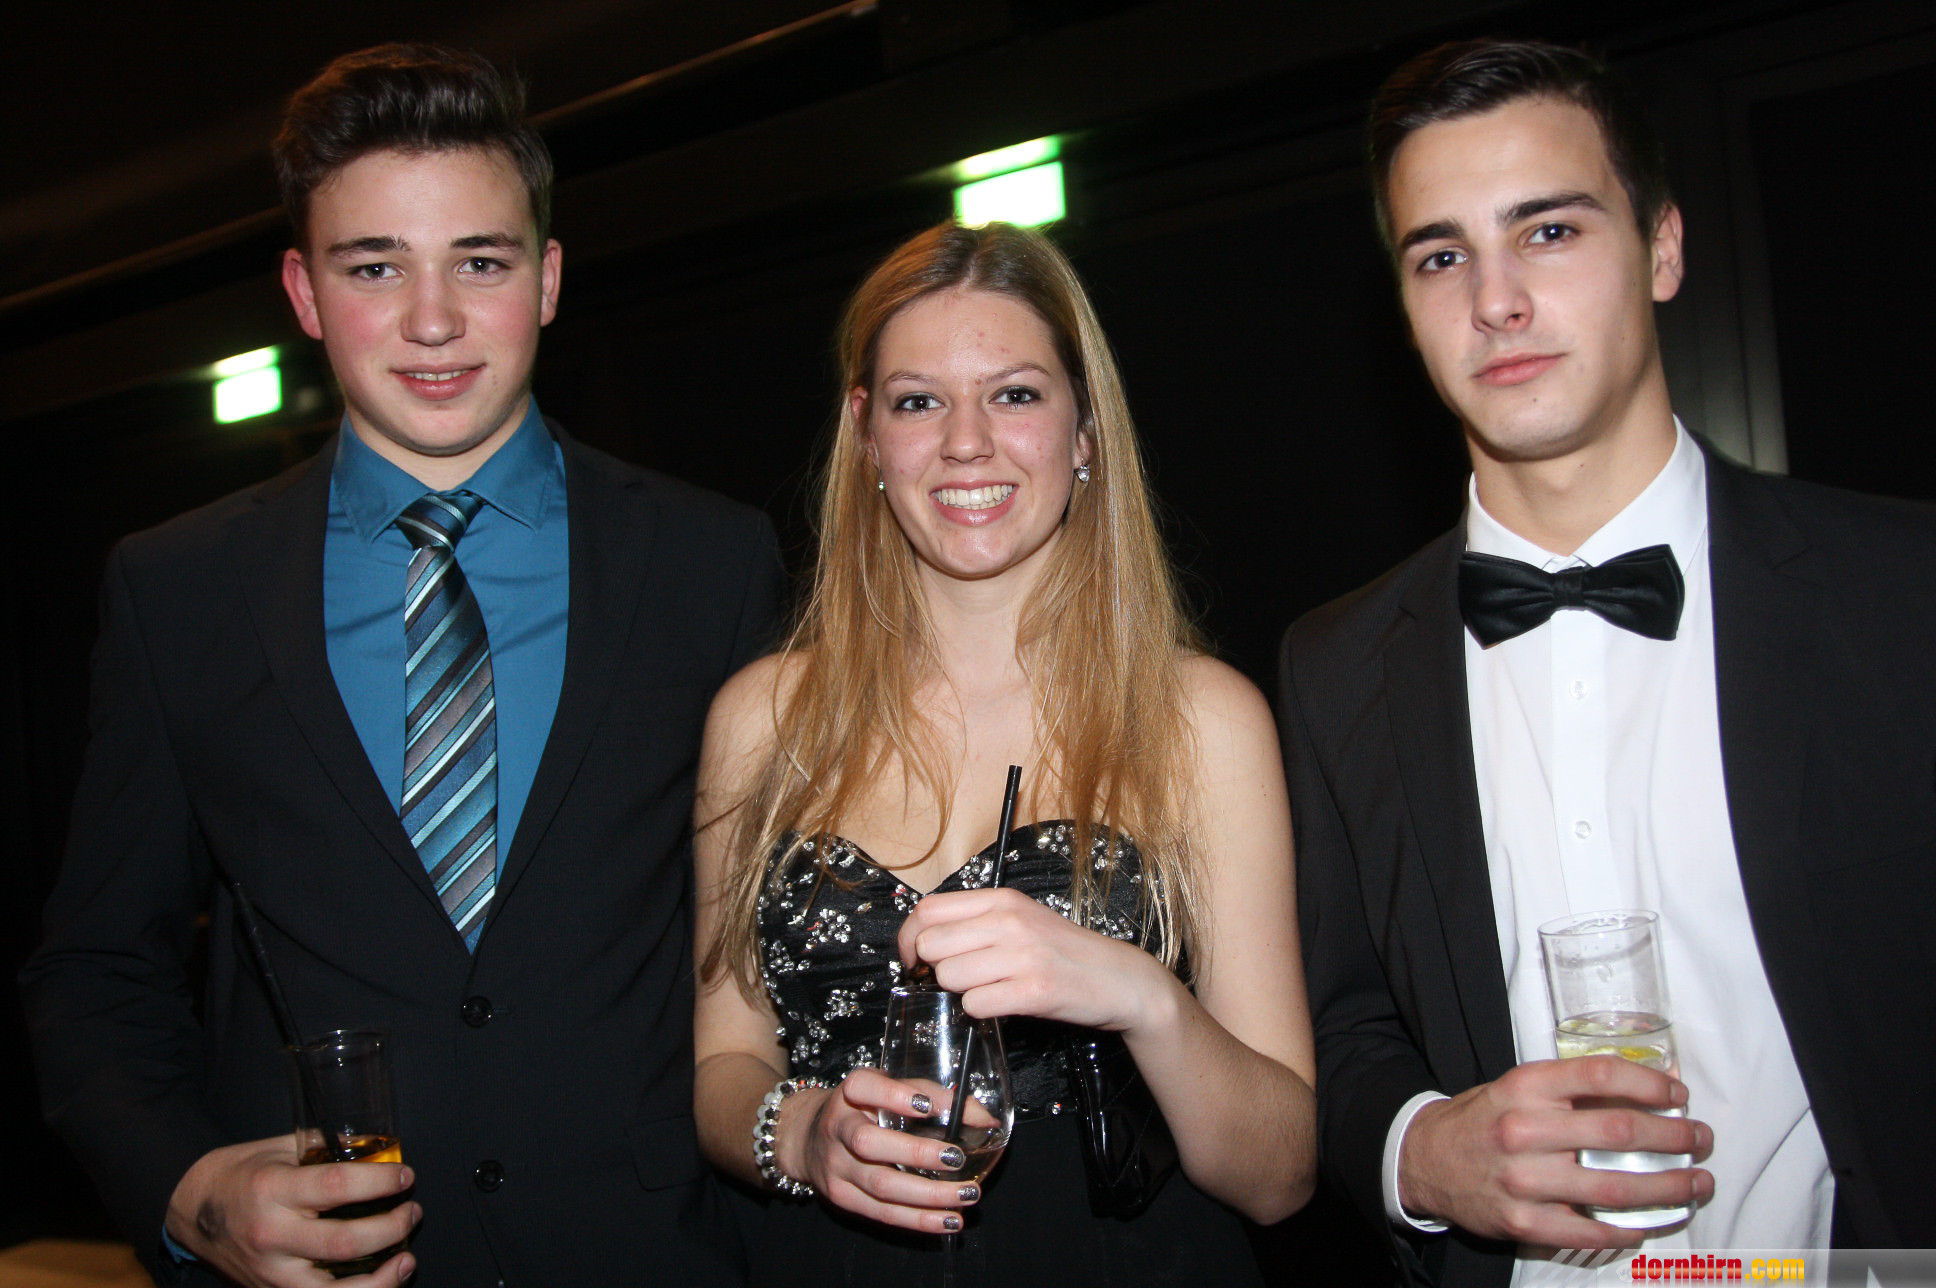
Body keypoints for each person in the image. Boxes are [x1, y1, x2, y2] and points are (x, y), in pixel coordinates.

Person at [20, 44, 783, 1288]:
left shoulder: (713, 562)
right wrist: (195, 1193)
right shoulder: (178, 587)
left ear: (545, 279)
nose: (433, 320)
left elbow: (771, 934)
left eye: (479, 261)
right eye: (374, 266)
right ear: (304, 292)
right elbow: (98, 967)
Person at [1279, 36, 1936, 1288]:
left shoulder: (1904, 595)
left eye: (1549, 231)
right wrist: (1418, 1153)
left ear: (1663, 248)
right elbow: (1343, 1027)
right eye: (1440, 256)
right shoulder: (1335, 666)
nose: (1495, 301)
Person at [690, 221, 1315, 1286]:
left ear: (1085, 430)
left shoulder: (1201, 720)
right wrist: (800, 1134)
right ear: (866, 436)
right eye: (918, 402)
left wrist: (1143, 997)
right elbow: (723, 1057)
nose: (966, 442)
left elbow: (1280, 1174)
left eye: (1015, 394)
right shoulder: (764, 719)